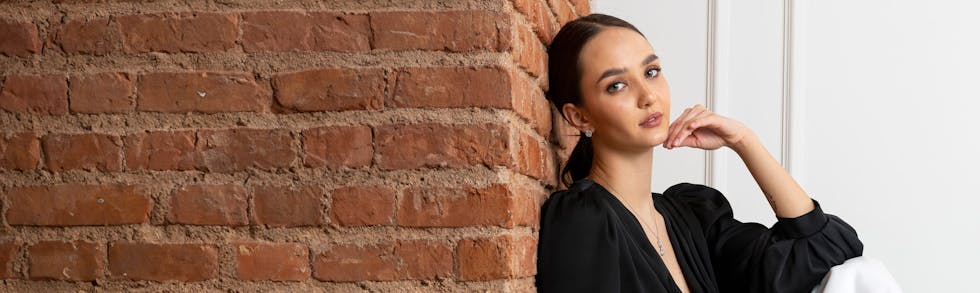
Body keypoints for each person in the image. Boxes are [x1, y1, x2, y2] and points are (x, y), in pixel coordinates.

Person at [535, 14, 864, 293]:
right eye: (617, 85)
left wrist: (744, 142)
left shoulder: (692, 217)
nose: (648, 96)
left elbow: (825, 251)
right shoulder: (583, 219)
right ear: (580, 117)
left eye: (651, 72)